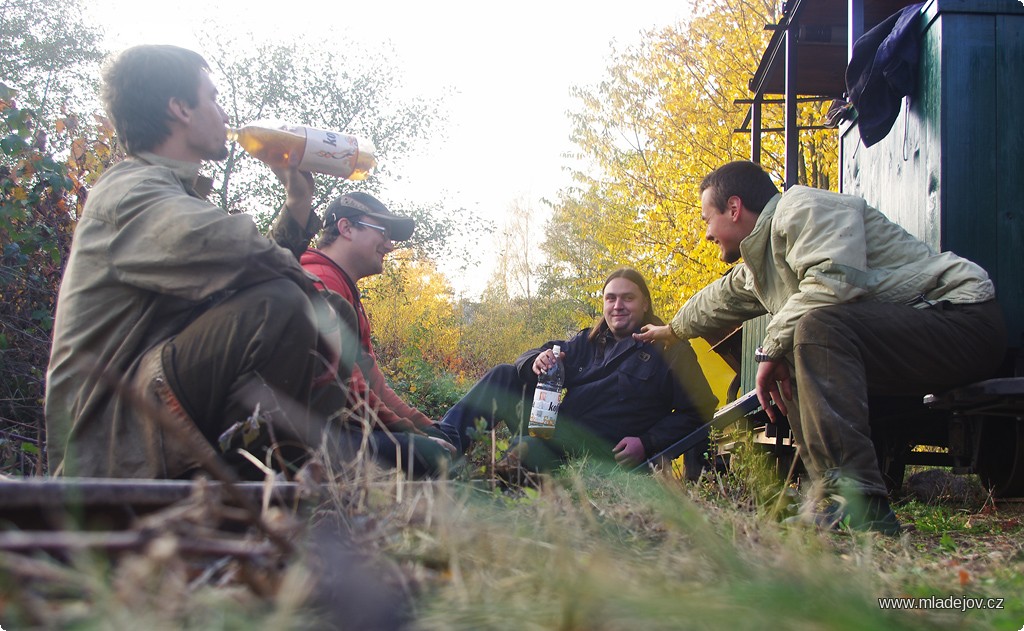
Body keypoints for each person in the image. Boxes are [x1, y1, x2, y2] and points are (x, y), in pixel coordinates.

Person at [635, 160, 1007, 534]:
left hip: (959, 319)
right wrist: (673, 329)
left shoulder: (804, 208)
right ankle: (832, 495)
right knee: (802, 335)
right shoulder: (763, 259)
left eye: (706, 219)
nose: (706, 234)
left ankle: (860, 504)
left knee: (813, 326)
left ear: (733, 208)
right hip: (918, 335)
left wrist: (769, 350)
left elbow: (832, 282)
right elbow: (722, 296)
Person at [47, 45, 357, 479]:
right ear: (179, 108)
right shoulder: (130, 193)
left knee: (327, 312)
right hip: (110, 441)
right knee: (287, 304)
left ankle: (287, 473)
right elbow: (237, 251)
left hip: (154, 408)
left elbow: (245, 272)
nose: (224, 114)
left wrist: (297, 204)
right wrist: (308, 292)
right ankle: (240, 494)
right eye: (212, 97)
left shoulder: (168, 192)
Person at [437, 268, 718, 480]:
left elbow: (700, 410)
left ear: (645, 303)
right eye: (611, 299)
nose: (618, 305)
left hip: (596, 453)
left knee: (523, 453)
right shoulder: (589, 341)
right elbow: (532, 356)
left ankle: (501, 476)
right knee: (504, 375)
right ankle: (441, 445)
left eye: (628, 298)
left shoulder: (670, 348)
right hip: (549, 428)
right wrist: (537, 359)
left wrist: (647, 443)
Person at [300, 193, 456, 474]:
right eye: (383, 232)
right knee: (433, 456)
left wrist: (422, 425)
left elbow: (373, 382)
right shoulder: (319, 282)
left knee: (443, 441)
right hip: (314, 439)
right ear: (346, 228)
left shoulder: (345, 289)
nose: (390, 244)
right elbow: (353, 390)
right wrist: (415, 436)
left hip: (345, 429)